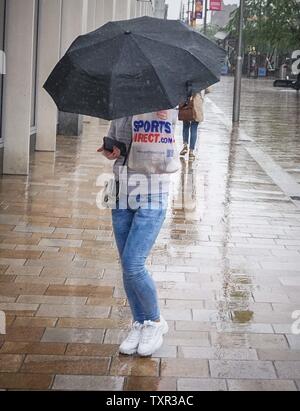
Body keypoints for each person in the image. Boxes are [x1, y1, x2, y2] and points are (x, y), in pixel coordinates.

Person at [99, 110, 176, 357]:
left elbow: (167, 146)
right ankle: (140, 322)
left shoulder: (164, 104)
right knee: (126, 264)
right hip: (121, 191)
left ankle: (154, 321)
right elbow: (117, 147)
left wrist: (163, 114)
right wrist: (113, 151)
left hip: (153, 192)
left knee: (134, 264)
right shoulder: (120, 110)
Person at [180, 90, 206, 161]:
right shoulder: (202, 80)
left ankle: (185, 145)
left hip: (186, 102)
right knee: (194, 129)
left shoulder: (185, 79)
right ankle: (191, 152)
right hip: (197, 103)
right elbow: (209, 89)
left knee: (185, 126)